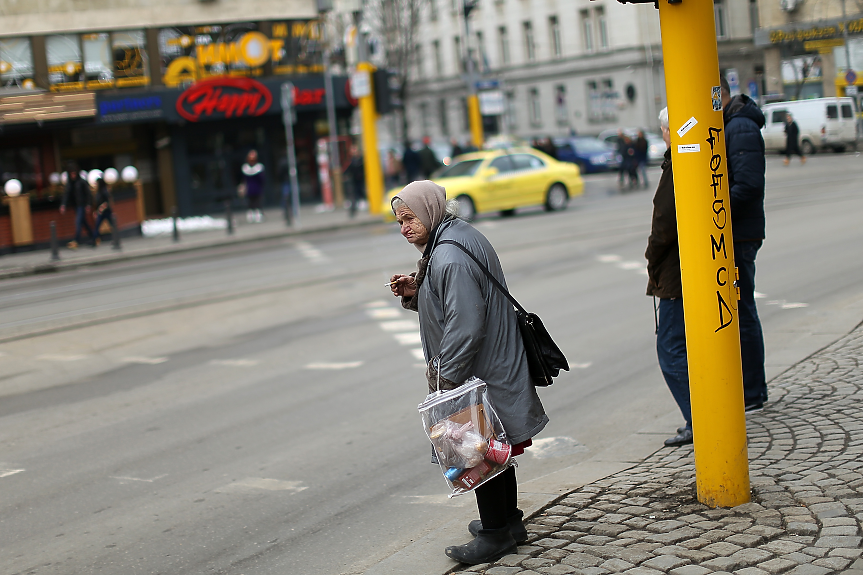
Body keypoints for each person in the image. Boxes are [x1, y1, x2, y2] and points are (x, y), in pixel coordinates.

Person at [389, 180, 548, 565]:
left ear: (429, 210)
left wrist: (446, 382)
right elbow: (455, 300)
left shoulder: (448, 256)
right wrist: (417, 290)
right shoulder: (454, 236)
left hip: (479, 368)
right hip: (491, 363)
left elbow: (464, 326)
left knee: (474, 447)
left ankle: (495, 535)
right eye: (399, 221)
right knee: (495, 444)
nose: (404, 227)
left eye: (410, 218)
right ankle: (509, 522)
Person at [645, 108, 692, 448]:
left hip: (677, 272)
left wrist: (652, 258)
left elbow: (663, 223)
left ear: (667, 131)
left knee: (671, 349)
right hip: (688, 267)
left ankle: (697, 417)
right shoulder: (694, 159)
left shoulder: (677, 165)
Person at [721, 76, 768, 412]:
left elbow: (748, 184)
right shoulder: (732, 123)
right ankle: (749, 388)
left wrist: (715, 213)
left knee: (742, 311)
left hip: (740, 232)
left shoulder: (738, 126)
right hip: (738, 231)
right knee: (740, 309)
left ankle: (752, 391)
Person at [60, 163, 93, 249]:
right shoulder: (70, 183)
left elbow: (88, 194)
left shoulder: (82, 182)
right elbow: (66, 194)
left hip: (82, 205)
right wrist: (63, 204)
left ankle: (76, 241)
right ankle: (93, 236)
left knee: (78, 222)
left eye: (74, 173)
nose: (73, 176)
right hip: (76, 205)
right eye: (71, 174)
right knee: (83, 222)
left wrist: (88, 204)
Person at [241, 150, 266, 223]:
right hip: (255, 188)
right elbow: (262, 179)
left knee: (252, 203)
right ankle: (256, 216)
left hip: (251, 188)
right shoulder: (258, 168)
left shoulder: (246, 168)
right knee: (255, 202)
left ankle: (253, 216)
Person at [91, 177, 116, 247]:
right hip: (101, 213)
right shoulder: (98, 192)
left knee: (112, 225)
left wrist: (101, 208)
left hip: (106, 212)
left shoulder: (104, 191)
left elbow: (107, 202)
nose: (96, 184)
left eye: (97, 183)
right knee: (97, 225)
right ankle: (94, 240)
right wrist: (96, 210)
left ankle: (116, 239)